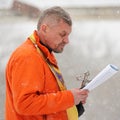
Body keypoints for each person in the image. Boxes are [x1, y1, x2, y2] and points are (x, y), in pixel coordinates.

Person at [5, 6, 89, 120]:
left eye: (68, 35)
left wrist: (73, 103)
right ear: (44, 29)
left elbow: (46, 104)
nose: (67, 40)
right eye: (62, 34)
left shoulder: (43, 56)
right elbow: (25, 104)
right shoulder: (28, 56)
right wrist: (69, 98)